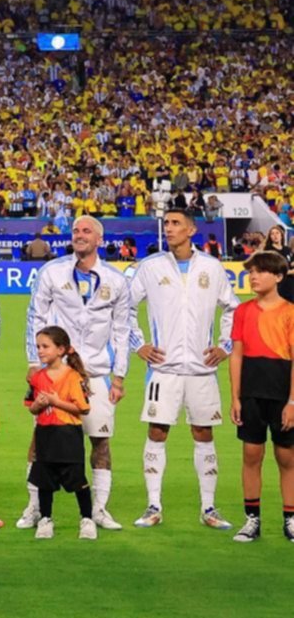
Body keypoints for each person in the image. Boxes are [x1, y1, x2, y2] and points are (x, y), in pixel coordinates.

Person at [20, 216, 134, 530]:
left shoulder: (116, 280)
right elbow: (36, 317)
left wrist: (120, 376)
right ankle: (34, 508)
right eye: (75, 231)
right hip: (56, 373)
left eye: (86, 231)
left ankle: (98, 509)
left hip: (96, 374)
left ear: (99, 239)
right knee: (40, 440)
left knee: (100, 441)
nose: (79, 235)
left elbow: (122, 331)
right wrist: (34, 362)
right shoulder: (52, 272)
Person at [127, 207, 238, 529]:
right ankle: (153, 506)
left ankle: (209, 508)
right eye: (167, 223)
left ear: (191, 230)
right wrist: (139, 345)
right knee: (157, 431)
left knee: (203, 433)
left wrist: (225, 345)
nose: (169, 228)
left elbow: (232, 308)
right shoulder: (149, 267)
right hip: (164, 368)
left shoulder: (213, 268)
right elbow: (126, 308)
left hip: (203, 369)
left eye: (176, 223)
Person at [228, 251, 294, 542]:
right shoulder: (242, 311)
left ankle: (290, 520)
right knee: (251, 455)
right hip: (251, 394)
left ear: (278, 276)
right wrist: (235, 398)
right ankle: (252, 520)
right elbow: (236, 355)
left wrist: (292, 402)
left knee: (287, 458)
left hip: (282, 396)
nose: (253, 276)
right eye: (251, 271)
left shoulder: (291, 313)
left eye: (260, 271)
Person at [25, 326, 97, 540]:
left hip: (68, 434)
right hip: (45, 433)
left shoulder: (73, 377)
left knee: (77, 479)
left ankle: (87, 519)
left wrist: (57, 402)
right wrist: (37, 405)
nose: (40, 351)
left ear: (61, 349)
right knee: (44, 480)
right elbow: (30, 406)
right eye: (38, 346)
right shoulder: (37, 378)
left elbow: (83, 408)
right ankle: (45, 519)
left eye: (45, 346)